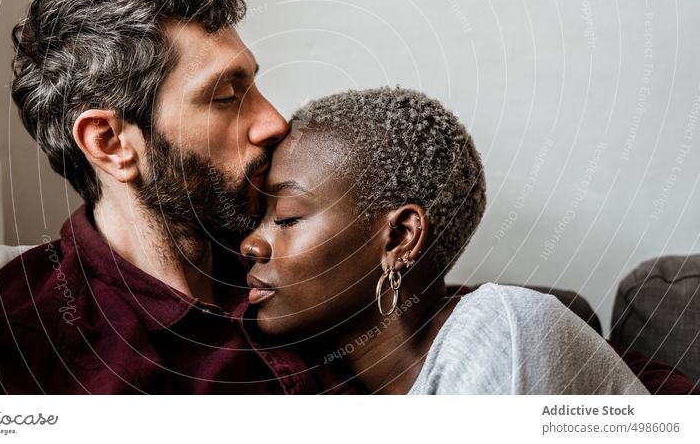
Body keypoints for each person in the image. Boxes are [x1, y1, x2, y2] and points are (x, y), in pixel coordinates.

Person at [0, 0, 349, 394]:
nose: (273, 122)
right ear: (110, 142)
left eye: (253, 85)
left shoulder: (299, 245)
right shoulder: (35, 350)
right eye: (226, 97)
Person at [240, 87, 649, 395]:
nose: (251, 244)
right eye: (258, 219)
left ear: (400, 237)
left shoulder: (497, 326)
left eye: (287, 218)